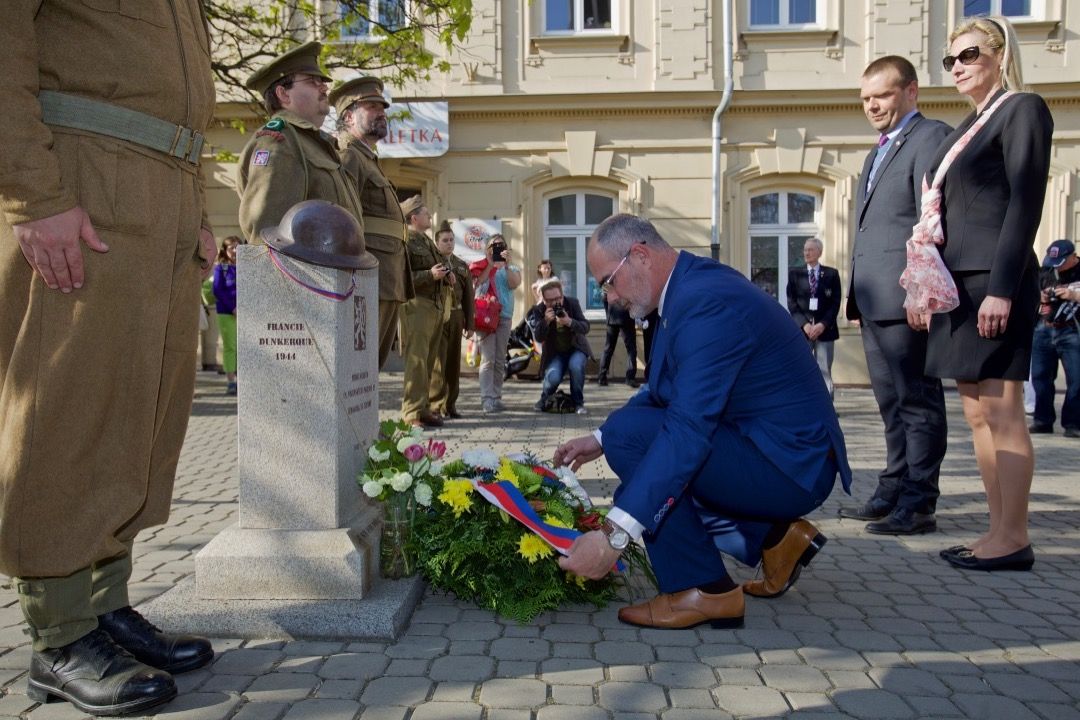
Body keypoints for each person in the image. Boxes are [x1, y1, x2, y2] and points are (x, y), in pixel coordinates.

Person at [1, 3, 216, 715]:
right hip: (83, 185)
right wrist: (33, 195)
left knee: (139, 416)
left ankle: (100, 605)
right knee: (69, 411)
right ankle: (58, 634)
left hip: (160, 194)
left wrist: (199, 210)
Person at [556, 215, 851, 629]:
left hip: (792, 464)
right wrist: (600, 438)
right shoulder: (685, 289)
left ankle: (704, 589)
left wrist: (612, 537)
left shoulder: (704, 302)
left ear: (638, 256)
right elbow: (662, 392)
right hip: (767, 448)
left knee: (642, 459)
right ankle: (774, 537)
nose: (609, 297)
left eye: (608, 281)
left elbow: (687, 431)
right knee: (632, 451)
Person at [919, 16, 1053, 571]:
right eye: (950, 60)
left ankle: (1014, 537)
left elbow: (1024, 201)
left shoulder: (1022, 109)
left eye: (969, 55)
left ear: (999, 54)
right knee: (977, 415)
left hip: (995, 282)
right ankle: (996, 532)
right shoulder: (964, 129)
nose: (957, 68)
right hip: (958, 287)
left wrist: (1001, 289)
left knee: (1003, 413)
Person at [839, 56, 951, 535]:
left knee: (917, 400)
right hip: (874, 300)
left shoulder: (930, 138)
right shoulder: (877, 151)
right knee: (889, 401)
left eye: (881, 96)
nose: (872, 106)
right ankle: (893, 485)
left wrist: (922, 294)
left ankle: (919, 501)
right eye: (865, 99)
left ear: (911, 92)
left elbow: (934, 218)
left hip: (907, 298)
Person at [235, 42, 367, 262]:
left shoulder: (313, 143)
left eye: (323, 81)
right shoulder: (279, 142)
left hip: (332, 280)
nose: (324, 87)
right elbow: (267, 235)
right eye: (313, 81)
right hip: (309, 285)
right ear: (283, 94)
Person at [330, 76, 413, 369]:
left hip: (385, 276)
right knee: (359, 369)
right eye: (372, 106)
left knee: (368, 371)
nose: (381, 112)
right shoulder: (348, 155)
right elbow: (343, 216)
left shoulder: (366, 158)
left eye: (383, 107)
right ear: (349, 116)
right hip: (367, 277)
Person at [399, 196, 447, 428]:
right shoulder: (406, 241)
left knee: (428, 360)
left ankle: (423, 406)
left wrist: (446, 276)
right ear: (414, 217)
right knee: (417, 361)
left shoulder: (425, 240)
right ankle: (411, 413)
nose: (430, 217)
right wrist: (430, 275)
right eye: (426, 214)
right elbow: (402, 277)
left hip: (434, 305)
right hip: (417, 306)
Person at [1030, 239, 1080, 437]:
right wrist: (1040, 297)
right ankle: (1042, 421)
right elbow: (1032, 293)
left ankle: (1073, 424)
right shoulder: (1046, 271)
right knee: (1041, 378)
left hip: (1071, 331)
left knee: (1076, 380)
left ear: (1072, 257)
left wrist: (1073, 295)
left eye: (1060, 261)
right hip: (1044, 329)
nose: (1055, 266)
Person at [471, 234, 522, 414]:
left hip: (504, 317)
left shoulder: (512, 267)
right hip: (485, 318)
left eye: (501, 245)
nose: (498, 247)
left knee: (500, 360)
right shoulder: (483, 266)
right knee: (488, 359)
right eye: (494, 245)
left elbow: (514, 283)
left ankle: (496, 397)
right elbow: (477, 284)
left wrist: (505, 265)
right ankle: (487, 399)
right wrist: (491, 264)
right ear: (487, 249)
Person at [527, 278, 593, 415]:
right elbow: (538, 337)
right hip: (555, 353)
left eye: (558, 298)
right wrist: (545, 321)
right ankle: (544, 398)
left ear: (562, 295)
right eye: (550, 300)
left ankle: (578, 403)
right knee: (554, 377)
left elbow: (586, 327)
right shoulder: (539, 310)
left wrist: (569, 321)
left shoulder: (572, 303)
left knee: (576, 365)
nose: (556, 302)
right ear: (544, 300)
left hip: (576, 349)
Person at [430, 221, 475, 419]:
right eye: (445, 240)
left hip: (457, 316)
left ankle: (451, 404)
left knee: (454, 362)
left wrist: (470, 325)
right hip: (438, 315)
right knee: (439, 361)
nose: (449, 244)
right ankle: (436, 405)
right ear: (437, 242)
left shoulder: (461, 266)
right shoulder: (433, 265)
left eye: (451, 240)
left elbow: (468, 298)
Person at [787, 238, 842, 397]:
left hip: (825, 331)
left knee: (824, 369)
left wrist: (822, 325)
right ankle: (802, 406)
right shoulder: (795, 274)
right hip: (803, 331)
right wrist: (805, 325)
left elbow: (835, 303)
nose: (806, 253)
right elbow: (792, 302)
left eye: (810, 249)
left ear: (819, 252)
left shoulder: (831, 274)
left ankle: (827, 408)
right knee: (800, 368)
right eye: (805, 249)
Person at [213, 236, 243, 396]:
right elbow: (218, 291)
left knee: (243, 347)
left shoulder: (246, 267)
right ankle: (231, 381)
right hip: (227, 313)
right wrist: (232, 308)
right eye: (232, 248)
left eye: (238, 247)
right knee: (230, 347)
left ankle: (243, 380)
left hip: (246, 314)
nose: (235, 251)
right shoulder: (221, 268)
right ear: (225, 250)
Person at [597, 293, 639, 387]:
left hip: (612, 317)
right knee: (631, 349)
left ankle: (602, 376)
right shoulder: (629, 279)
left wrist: (608, 314)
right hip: (626, 316)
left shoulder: (610, 279)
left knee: (608, 348)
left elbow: (604, 297)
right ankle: (630, 378)